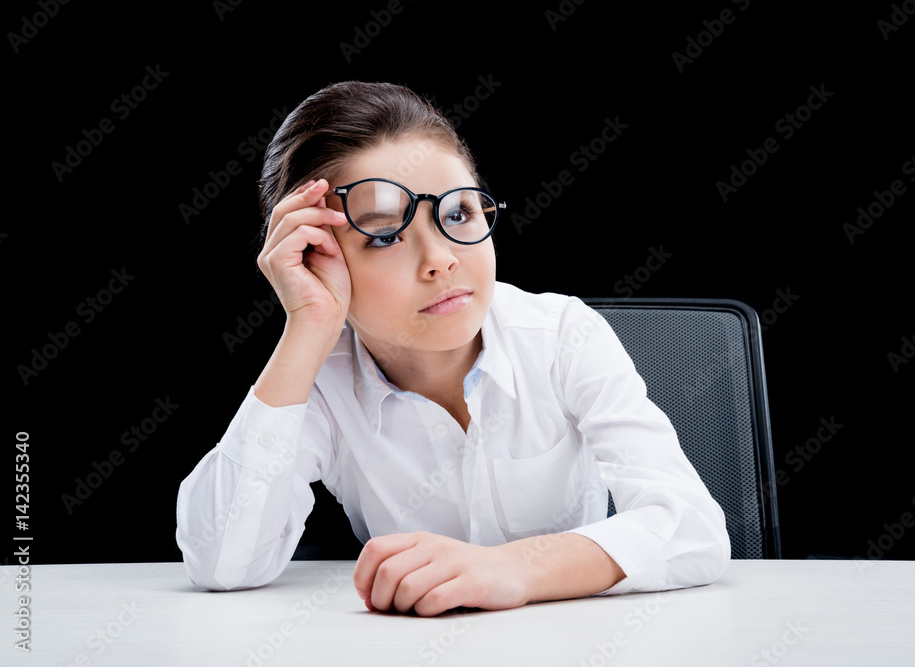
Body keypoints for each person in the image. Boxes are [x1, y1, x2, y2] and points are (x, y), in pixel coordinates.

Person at [175, 81, 730, 617]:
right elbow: (223, 562)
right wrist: (308, 325)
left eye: (458, 214)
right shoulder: (319, 378)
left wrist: (512, 570)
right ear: (316, 255)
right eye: (385, 235)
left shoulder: (563, 335)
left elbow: (692, 527)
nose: (440, 259)